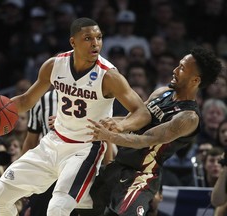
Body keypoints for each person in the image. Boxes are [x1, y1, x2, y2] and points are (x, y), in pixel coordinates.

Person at [0, 17, 150, 216]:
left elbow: (142, 112)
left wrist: (121, 125)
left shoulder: (109, 76)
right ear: (73, 42)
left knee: (57, 210)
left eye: (99, 38)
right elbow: (25, 100)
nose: (95, 43)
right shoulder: (54, 65)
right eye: (88, 38)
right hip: (52, 142)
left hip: (85, 149)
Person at [86, 46, 222, 215]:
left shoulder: (188, 117)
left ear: (195, 80)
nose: (174, 70)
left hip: (141, 176)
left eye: (181, 68)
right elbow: (131, 120)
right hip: (119, 164)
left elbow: (145, 139)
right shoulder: (163, 92)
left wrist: (109, 135)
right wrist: (87, 123)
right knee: (83, 210)